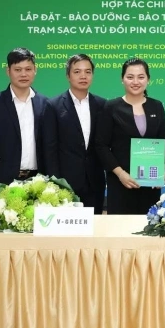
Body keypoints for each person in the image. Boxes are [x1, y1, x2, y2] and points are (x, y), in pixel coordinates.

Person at [0, 48, 58, 196]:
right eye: (18, 69)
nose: (23, 74)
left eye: (28, 69)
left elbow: (50, 148)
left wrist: (53, 183)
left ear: (35, 70)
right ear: (8, 71)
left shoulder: (45, 104)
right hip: (4, 183)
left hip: (38, 182)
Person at [96, 58, 165, 214]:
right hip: (120, 183)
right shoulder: (111, 107)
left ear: (148, 79)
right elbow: (101, 146)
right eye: (130, 77)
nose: (135, 82)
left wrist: (161, 169)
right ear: (122, 79)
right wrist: (121, 174)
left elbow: (163, 142)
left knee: (150, 225)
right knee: (121, 227)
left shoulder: (157, 106)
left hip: (150, 183)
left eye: (141, 77)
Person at [52, 54, 107, 214]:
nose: (83, 76)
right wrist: (54, 182)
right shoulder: (54, 106)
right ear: (68, 75)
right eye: (77, 72)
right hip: (65, 184)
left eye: (88, 72)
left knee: (94, 226)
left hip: (94, 182)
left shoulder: (102, 105)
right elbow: (49, 148)